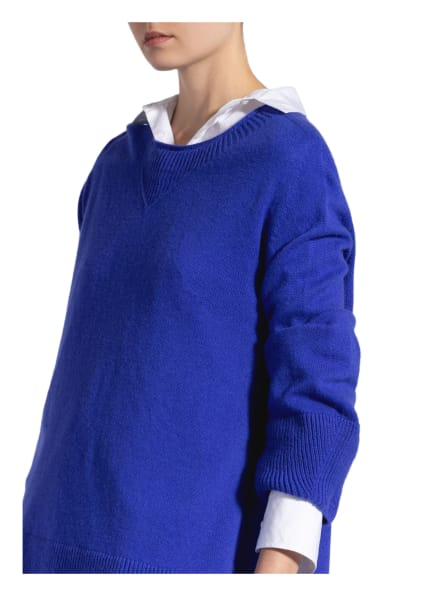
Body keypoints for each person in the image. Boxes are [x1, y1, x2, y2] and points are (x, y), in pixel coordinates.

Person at [22, 22, 361, 574]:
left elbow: (317, 388)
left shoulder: (289, 159)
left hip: (186, 559)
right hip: (48, 545)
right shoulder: (116, 164)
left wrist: (279, 569)